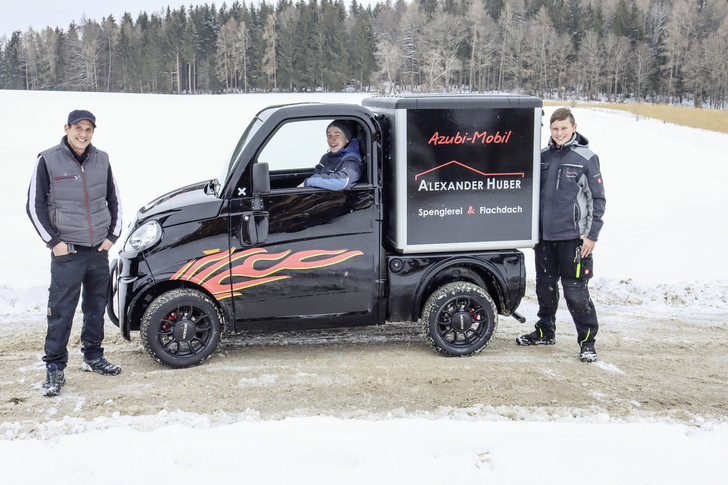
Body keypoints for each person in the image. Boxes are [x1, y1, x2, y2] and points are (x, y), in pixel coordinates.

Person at [27, 109, 123, 397]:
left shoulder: (102, 159)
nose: (83, 134)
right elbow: (34, 206)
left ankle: (93, 356)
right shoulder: (47, 159)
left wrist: (111, 238)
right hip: (67, 251)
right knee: (61, 311)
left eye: (89, 130)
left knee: (95, 306)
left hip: (97, 250)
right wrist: (54, 242)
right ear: (67, 128)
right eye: (78, 128)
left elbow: (114, 199)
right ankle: (55, 367)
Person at [516, 107, 606, 362]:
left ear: (573, 128)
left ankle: (587, 342)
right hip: (544, 238)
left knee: (575, 291)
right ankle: (545, 331)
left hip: (574, 239)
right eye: (555, 129)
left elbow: (597, 199)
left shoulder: (586, 158)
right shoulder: (542, 156)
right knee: (545, 289)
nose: (559, 133)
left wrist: (591, 235)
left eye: (564, 128)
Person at [303, 120, 364, 190]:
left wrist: (310, 181)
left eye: (337, 135)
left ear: (347, 139)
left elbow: (343, 181)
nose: (332, 139)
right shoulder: (326, 158)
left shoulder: (351, 160)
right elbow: (316, 175)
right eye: (329, 135)